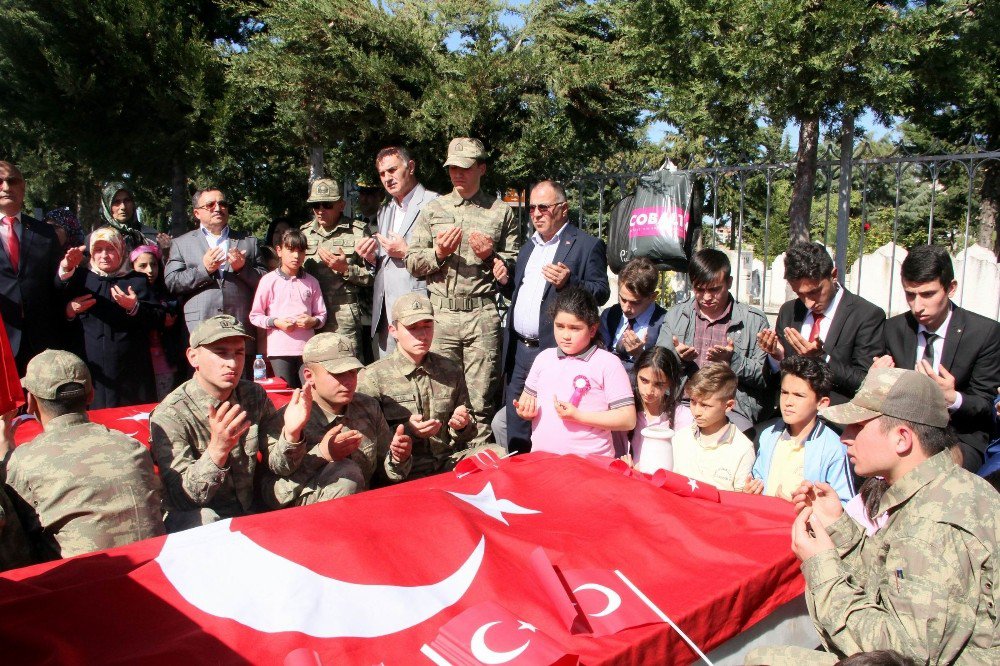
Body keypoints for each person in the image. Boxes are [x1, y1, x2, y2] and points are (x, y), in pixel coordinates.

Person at [753, 367, 1000, 664]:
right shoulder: (947, 487)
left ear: (902, 439)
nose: (845, 437)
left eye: (857, 427)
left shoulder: (932, 527)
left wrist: (821, 565)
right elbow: (894, 580)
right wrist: (839, 528)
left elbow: (899, 655)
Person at [404, 138, 519, 444]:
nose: (457, 173)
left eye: (465, 167)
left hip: (481, 313)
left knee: (481, 399)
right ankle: (440, 462)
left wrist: (491, 257)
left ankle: (476, 459)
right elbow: (413, 262)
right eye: (452, 167)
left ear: (481, 168)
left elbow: (514, 263)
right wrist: (438, 253)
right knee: (440, 396)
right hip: (441, 314)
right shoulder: (433, 210)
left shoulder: (500, 212)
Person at [1, 350, 164, 561]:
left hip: (79, 583)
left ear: (30, 401)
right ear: (91, 395)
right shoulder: (131, 446)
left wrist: (4, 445)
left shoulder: (24, 461)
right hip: (152, 569)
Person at [148, 315, 307, 531]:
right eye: (221, 353)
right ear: (193, 357)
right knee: (204, 519)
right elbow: (181, 498)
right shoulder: (171, 414)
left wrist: (291, 435)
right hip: (205, 519)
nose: (232, 363)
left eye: (239, 353)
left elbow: (280, 467)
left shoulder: (253, 395)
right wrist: (217, 451)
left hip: (252, 507)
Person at [501, 180, 610, 453]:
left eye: (543, 207)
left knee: (548, 427)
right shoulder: (529, 248)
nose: (536, 213)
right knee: (517, 423)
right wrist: (504, 281)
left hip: (554, 352)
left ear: (563, 209)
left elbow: (602, 292)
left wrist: (569, 283)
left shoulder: (587, 245)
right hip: (520, 352)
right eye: (532, 208)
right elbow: (521, 292)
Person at [872, 244, 1000, 472]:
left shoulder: (983, 333)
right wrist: (875, 380)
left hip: (958, 436)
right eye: (910, 295)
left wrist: (953, 398)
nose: (917, 306)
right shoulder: (894, 328)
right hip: (902, 431)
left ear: (950, 288)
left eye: (928, 294)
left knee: (933, 476)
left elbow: (984, 405)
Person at [357, 293, 500, 481]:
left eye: (427, 326)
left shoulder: (450, 370)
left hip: (445, 463)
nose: (423, 335)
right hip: (401, 471)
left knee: (497, 454)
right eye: (413, 328)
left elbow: (467, 431)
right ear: (393, 330)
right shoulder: (372, 377)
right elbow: (367, 444)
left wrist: (462, 426)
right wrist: (409, 431)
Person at [260, 333, 413, 506]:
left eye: (352, 372)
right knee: (346, 475)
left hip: (362, 507)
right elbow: (273, 493)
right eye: (338, 374)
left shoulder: (368, 407)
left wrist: (398, 459)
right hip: (305, 519)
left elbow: (382, 474)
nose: (348, 382)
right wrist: (318, 451)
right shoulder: (288, 417)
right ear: (309, 376)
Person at [514, 286, 636, 457]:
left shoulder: (608, 363)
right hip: (543, 460)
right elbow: (527, 402)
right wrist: (525, 411)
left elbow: (628, 419)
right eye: (560, 326)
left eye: (574, 328)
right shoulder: (543, 358)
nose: (565, 335)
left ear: (592, 329)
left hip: (590, 466)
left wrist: (579, 416)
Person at [758, 242, 885, 405]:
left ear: (833, 275)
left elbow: (865, 382)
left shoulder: (866, 315)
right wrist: (777, 357)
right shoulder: (789, 311)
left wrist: (822, 359)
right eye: (800, 294)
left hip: (836, 418)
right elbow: (774, 381)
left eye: (815, 292)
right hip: (789, 416)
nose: (808, 303)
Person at [656, 248, 770, 428]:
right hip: (684, 405)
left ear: (729, 282)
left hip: (732, 410)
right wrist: (678, 358)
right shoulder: (676, 316)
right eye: (699, 290)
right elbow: (658, 367)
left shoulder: (754, 321)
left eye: (714, 289)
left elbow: (764, 378)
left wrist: (733, 361)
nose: (707, 297)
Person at [58, 227, 160, 409]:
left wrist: (134, 307)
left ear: (121, 250)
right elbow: (54, 304)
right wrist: (70, 310)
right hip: (91, 371)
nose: (104, 255)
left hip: (131, 373)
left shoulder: (137, 280)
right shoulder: (80, 279)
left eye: (111, 249)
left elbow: (158, 318)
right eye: (98, 250)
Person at [360, 147, 438, 359]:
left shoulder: (435, 203)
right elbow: (385, 261)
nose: (387, 178)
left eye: (392, 170)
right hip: (387, 314)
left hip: (419, 310)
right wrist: (370, 258)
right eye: (382, 174)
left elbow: (444, 257)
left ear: (410, 167)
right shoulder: (385, 210)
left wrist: (407, 252)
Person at [165, 188, 267, 344]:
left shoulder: (248, 241)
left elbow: (267, 284)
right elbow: (172, 282)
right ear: (197, 213)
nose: (218, 208)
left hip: (240, 329)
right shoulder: (181, 244)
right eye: (210, 204)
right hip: (199, 330)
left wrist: (243, 269)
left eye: (222, 203)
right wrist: (204, 270)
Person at [746, 356, 853, 503]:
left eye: (799, 395)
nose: (788, 402)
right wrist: (751, 491)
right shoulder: (768, 435)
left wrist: (808, 506)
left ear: (822, 403)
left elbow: (845, 504)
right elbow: (758, 478)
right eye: (784, 392)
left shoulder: (833, 448)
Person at [0, 161, 65, 374]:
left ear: (23, 188)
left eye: (13, 181)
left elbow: (55, 283)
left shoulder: (45, 233)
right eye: (0, 182)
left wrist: (66, 271)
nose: (7, 187)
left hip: (40, 342)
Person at [300, 178, 372, 360]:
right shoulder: (304, 234)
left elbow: (373, 277)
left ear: (341, 205)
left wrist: (346, 269)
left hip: (344, 313)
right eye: (316, 205)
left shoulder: (358, 232)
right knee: (314, 364)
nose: (320, 210)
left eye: (327, 205)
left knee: (348, 363)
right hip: (311, 313)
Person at [249, 229, 327, 388]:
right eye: (291, 250)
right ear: (279, 251)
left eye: (301, 251)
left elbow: (322, 315)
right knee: (285, 391)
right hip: (279, 351)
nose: (296, 256)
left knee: (310, 390)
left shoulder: (312, 282)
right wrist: (276, 322)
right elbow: (255, 315)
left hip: (307, 351)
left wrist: (312, 321)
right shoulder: (268, 281)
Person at [671, 363, 756, 491]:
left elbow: (740, 500)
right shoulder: (680, 438)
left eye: (705, 405)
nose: (696, 411)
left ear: (728, 406)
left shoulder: (742, 449)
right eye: (693, 402)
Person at [615, 346, 693, 465]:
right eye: (644, 380)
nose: (649, 391)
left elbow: (681, 462)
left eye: (658, 384)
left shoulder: (683, 417)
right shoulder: (624, 409)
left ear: (670, 383)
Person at [131, 244, 184, 399]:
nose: (150, 270)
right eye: (143, 265)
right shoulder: (127, 293)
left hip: (165, 361)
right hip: (138, 362)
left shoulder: (167, 292)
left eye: (153, 264)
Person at [599, 256, 666, 374]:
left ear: (652, 297)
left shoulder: (664, 323)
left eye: (635, 302)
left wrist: (640, 355)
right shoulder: (610, 315)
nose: (626, 308)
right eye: (623, 299)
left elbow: (662, 370)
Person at [100, 182, 171, 254]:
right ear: (107, 206)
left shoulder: (152, 237)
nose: (123, 207)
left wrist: (165, 252)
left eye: (127, 200)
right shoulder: (98, 237)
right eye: (116, 202)